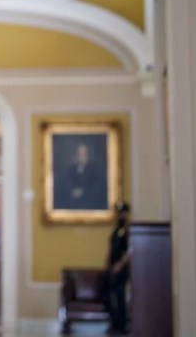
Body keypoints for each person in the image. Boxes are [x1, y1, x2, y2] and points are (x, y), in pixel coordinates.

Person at [103, 201, 131, 334]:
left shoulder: (126, 230)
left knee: (119, 296)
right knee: (107, 294)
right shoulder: (116, 230)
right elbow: (112, 248)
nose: (119, 215)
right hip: (112, 268)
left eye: (121, 213)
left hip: (121, 269)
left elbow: (129, 251)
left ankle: (121, 324)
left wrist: (120, 265)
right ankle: (115, 322)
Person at [53, 142, 108, 210]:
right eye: (79, 154)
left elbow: (98, 187)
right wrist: (72, 191)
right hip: (72, 203)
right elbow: (66, 183)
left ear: (88, 155)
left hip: (90, 203)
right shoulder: (71, 169)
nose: (81, 156)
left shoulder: (94, 169)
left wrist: (83, 192)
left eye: (83, 154)